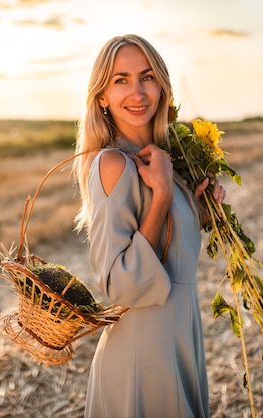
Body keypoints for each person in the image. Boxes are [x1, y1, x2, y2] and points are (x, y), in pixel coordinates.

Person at [73, 34, 226, 418]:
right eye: (120, 79)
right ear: (102, 96)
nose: (138, 91)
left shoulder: (169, 163)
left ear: (162, 85)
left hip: (180, 339)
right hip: (143, 353)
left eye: (147, 76)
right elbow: (121, 286)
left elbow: (173, 253)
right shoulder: (112, 165)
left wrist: (199, 211)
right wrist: (160, 198)